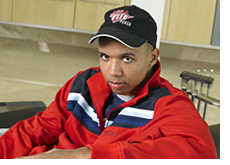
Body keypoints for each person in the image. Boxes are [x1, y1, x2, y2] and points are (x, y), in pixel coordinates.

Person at [0, 5, 217, 159]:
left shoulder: (169, 105)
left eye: (127, 58)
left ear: (152, 57)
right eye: (105, 56)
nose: (113, 71)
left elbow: (202, 153)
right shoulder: (82, 83)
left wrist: (85, 156)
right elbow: (37, 129)